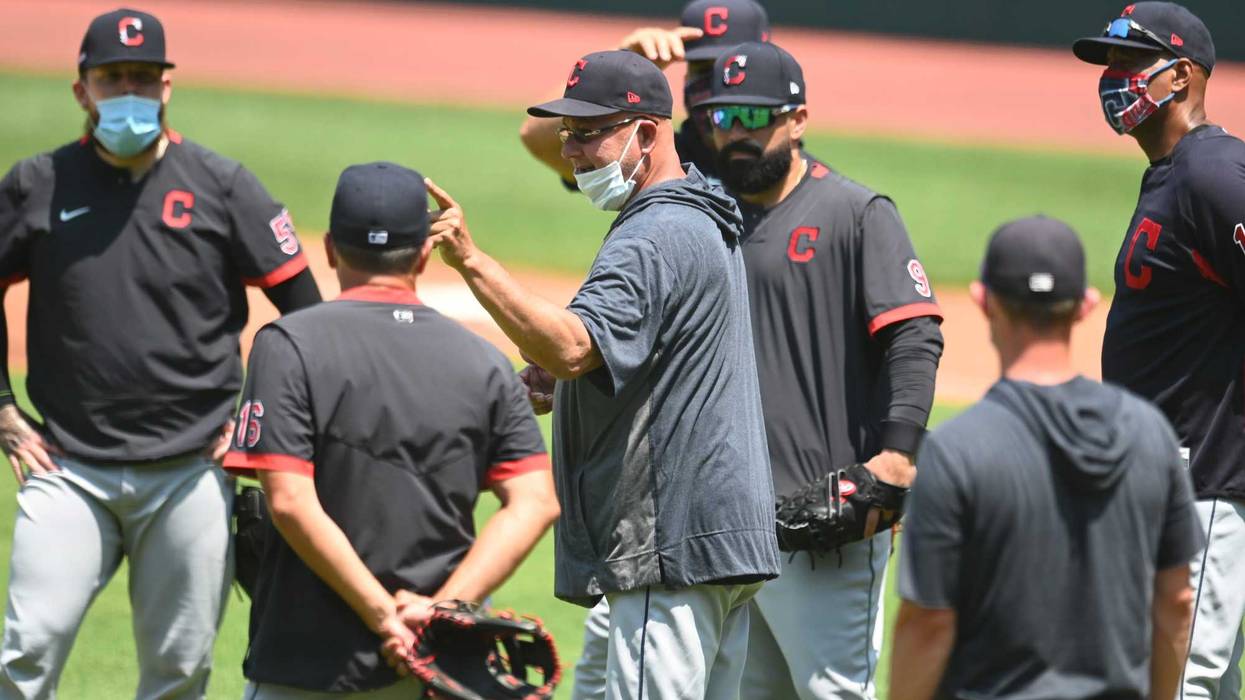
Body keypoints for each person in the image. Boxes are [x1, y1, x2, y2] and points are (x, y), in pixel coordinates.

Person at [432, 50, 780, 699]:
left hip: (669, 544)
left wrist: (472, 263)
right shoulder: (700, 213)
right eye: (566, 133)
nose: (570, 150)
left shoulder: (654, 234)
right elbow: (636, 351)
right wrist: (563, 379)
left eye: (589, 132)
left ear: (646, 133)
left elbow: (571, 347)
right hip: (721, 539)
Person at [0, 8, 321, 699]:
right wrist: (1, 408)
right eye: (112, 77)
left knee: (179, 672)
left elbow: (308, 319)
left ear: (166, 86)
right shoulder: (36, 183)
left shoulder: (222, 186)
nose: (128, 91)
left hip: (189, 472)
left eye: (143, 78)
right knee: (26, 654)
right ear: (81, 88)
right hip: (66, 466)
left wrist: (255, 421)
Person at [222, 162, 559, 699]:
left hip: (307, 657)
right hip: (436, 662)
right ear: (424, 253)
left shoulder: (287, 345)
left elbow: (288, 501)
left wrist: (384, 617)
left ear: (330, 249)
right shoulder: (483, 363)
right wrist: (438, 611)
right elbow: (535, 503)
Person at [689, 41, 943, 699]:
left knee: (831, 692)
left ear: (797, 119)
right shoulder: (709, 215)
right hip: (729, 522)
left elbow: (913, 337)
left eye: (753, 118)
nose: (736, 135)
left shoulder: (855, 213)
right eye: (722, 119)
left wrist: (897, 458)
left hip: (825, 522)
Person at [890, 215, 1204, 700]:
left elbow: (927, 623)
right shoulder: (1151, 436)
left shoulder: (956, 451)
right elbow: (1177, 601)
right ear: (1085, 307)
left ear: (984, 301)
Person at [1072, 4, 1245, 697]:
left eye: (1127, 64)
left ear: (1179, 76)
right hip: (1161, 475)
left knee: (1177, 683)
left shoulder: (1213, 173)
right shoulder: (1175, 173)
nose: (1112, 80)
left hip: (1198, 479)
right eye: (1107, 65)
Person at [518, 0, 770, 186]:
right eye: (702, 70)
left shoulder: (791, 171)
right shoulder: (661, 158)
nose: (717, 84)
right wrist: (622, 66)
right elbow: (534, 135)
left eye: (731, 70)